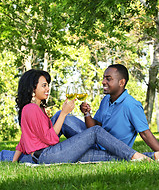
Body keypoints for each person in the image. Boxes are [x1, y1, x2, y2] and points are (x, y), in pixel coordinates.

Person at [0, 69, 157, 164]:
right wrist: (64, 113)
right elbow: (51, 139)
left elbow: (23, 141)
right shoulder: (32, 109)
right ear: (32, 89)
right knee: (94, 132)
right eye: (44, 85)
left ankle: (151, 156)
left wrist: (15, 161)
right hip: (49, 154)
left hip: (46, 154)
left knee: (99, 156)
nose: (48, 88)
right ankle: (136, 155)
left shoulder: (33, 109)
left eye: (47, 84)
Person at [51, 64, 159, 159]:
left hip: (110, 150)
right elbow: (94, 126)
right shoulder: (106, 100)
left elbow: (145, 133)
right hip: (95, 140)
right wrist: (87, 114)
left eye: (108, 79)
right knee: (60, 116)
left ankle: (43, 155)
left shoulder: (131, 105)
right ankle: (41, 149)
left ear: (121, 82)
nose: (103, 82)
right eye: (104, 78)